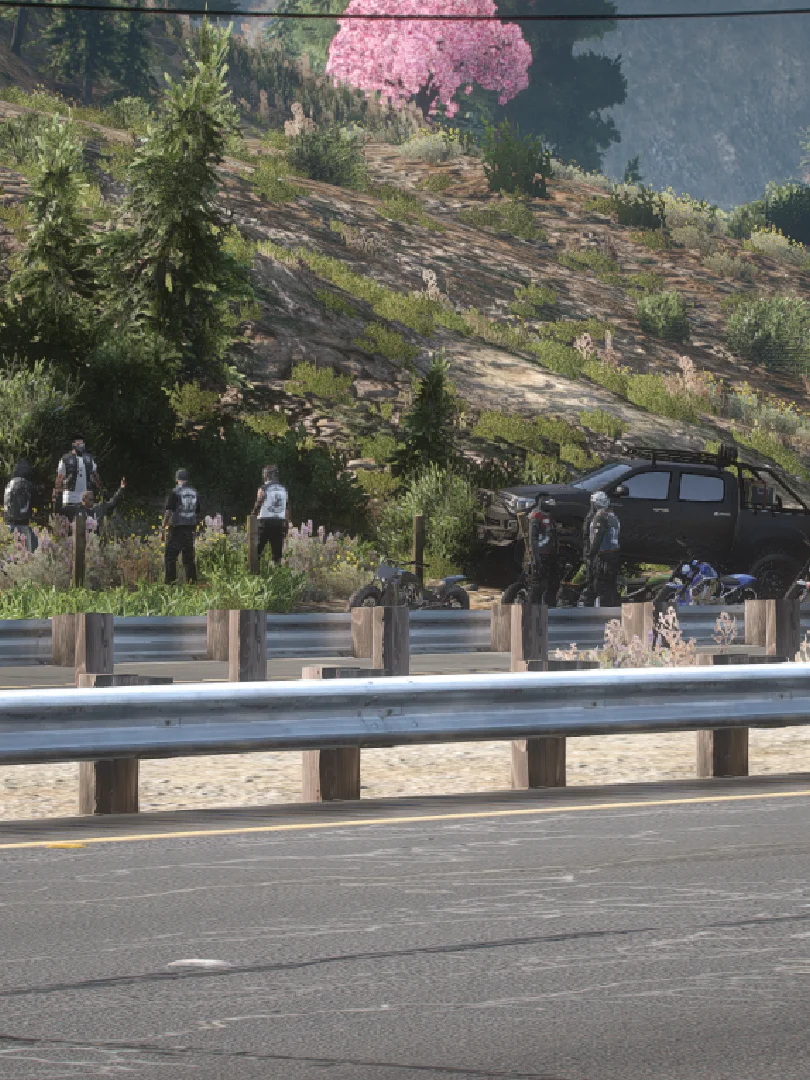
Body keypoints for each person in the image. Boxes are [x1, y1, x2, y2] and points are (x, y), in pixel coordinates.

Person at [582, 490, 621, 607]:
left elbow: (597, 539)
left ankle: (603, 613)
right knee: (611, 587)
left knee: (601, 587)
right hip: (614, 555)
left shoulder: (599, 517)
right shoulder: (613, 516)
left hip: (603, 557)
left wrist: (590, 555)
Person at [163, 469, 202, 585]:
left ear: (177, 479)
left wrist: (163, 525)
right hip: (190, 528)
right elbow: (197, 511)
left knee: (170, 556)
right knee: (188, 558)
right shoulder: (195, 492)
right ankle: (192, 583)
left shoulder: (175, 492)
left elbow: (169, 511)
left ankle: (170, 584)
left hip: (177, 528)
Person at [54, 438, 102, 521]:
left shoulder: (89, 458)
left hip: (85, 498)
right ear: (73, 444)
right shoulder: (66, 459)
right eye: (78, 444)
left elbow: (95, 475)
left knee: (85, 523)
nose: (81, 446)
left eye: (82, 443)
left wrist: (100, 487)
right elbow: (59, 478)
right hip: (70, 497)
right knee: (70, 522)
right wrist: (58, 494)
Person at [252, 464, 290, 564]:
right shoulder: (284, 489)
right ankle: (276, 571)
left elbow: (258, 504)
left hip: (264, 522)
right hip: (279, 522)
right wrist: (286, 524)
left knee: (256, 551)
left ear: (267, 475)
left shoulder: (264, 488)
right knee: (277, 554)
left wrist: (252, 516)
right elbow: (287, 508)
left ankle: (253, 571)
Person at [527, 496, 560, 606]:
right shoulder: (536, 516)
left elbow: (554, 536)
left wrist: (556, 552)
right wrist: (536, 558)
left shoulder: (550, 516)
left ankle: (550, 607)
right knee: (538, 585)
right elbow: (533, 538)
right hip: (540, 554)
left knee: (554, 583)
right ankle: (533, 609)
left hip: (551, 554)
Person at [4, 458, 37, 552]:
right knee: (26, 553)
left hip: (9, 523)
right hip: (23, 524)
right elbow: (34, 501)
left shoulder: (9, 484)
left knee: (10, 552)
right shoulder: (27, 484)